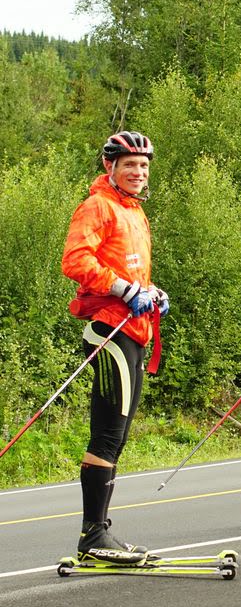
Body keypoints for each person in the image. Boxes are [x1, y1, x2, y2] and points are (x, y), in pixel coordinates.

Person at [61, 131, 167, 564]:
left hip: (135, 329)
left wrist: (150, 290)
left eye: (143, 165)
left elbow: (130, 266)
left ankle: (99, 534)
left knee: (117, 436)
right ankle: (92, 537)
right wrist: (124, 288)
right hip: (110, 329)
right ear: (111, 167)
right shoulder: (98, 206)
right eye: (130, 165)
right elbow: (76, 260)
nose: (139, 172)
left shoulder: (135, 212)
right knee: (107, 434)